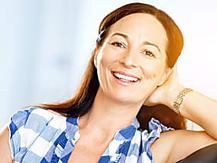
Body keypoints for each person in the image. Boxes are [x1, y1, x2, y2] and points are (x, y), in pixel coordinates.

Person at [0, 2, 217, 163]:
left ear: (165, 74)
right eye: (119, 43)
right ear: (97, 54)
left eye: (148, 52)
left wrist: (173, 93)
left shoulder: (154, 149)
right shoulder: (30, 126)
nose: (129, 60)